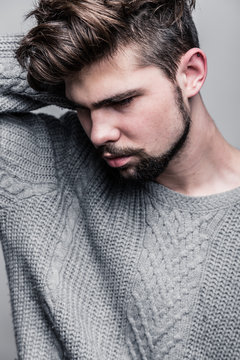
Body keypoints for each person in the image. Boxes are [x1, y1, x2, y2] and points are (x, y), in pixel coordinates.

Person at [0, 0, 240, 358]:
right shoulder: (42, 168)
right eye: (83, 107)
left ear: (191, 72)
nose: (99, 134)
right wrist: (60, 69)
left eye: (122, 101)